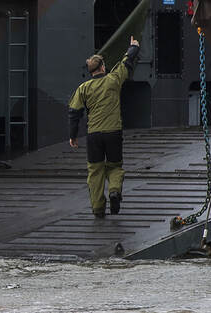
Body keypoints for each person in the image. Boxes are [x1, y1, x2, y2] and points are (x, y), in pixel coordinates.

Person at [68, 36, 141, 218]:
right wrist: (133, 47)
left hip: (94, 135)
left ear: (90, 71)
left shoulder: (83, 88)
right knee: (115, 166)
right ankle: (114, 191)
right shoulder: (113, 80)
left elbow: (74, 113)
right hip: (113, 133)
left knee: (95, 171)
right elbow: (126, 62)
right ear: (102, 67)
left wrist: (73, 135)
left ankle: (98, 208)